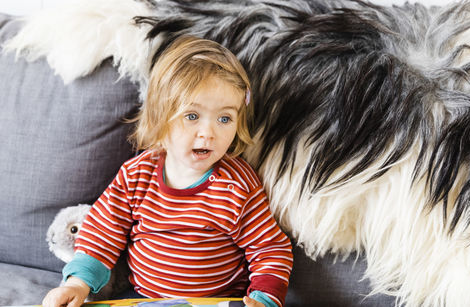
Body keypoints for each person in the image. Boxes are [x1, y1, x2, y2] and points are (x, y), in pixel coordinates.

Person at [42, 35, 293, 307]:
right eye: (192, 116)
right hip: (142, 299)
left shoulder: (237, 185)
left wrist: (264, 300)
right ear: (160, 118)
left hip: (215, 303)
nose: (208, 133)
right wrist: (77, 284)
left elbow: (270, 250)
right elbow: (102, 233)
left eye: (224, 118)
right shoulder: (136, 175)